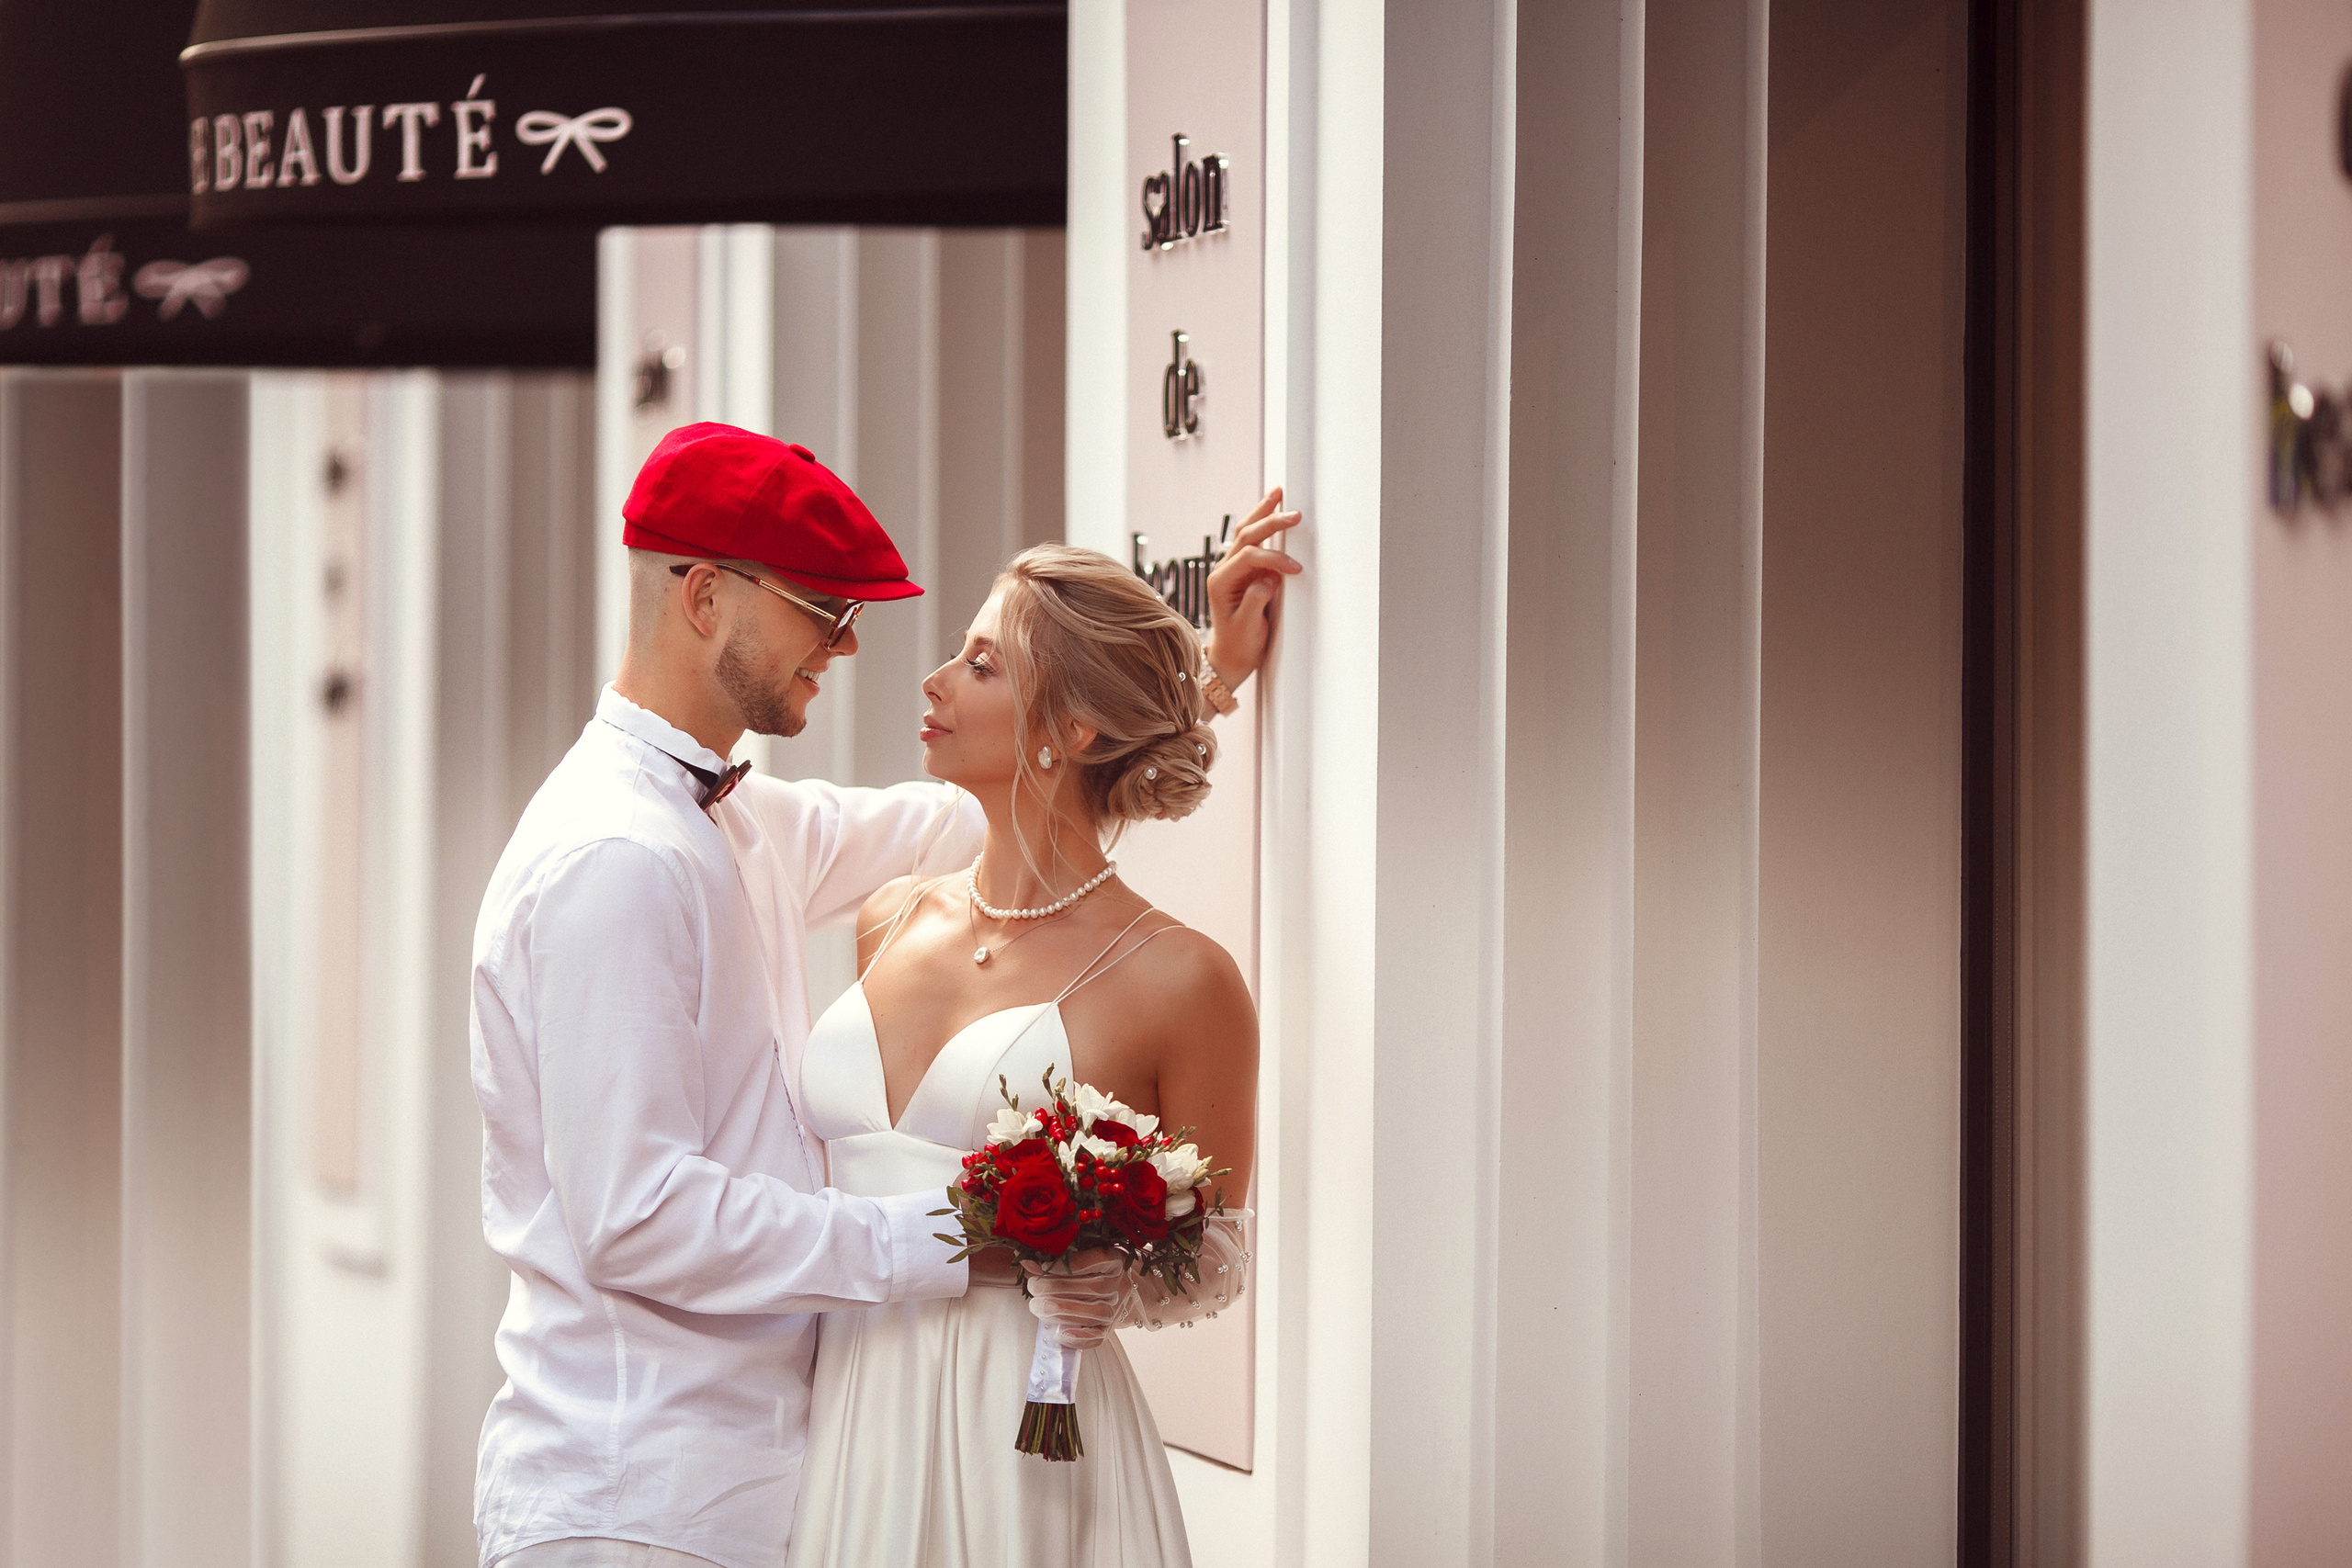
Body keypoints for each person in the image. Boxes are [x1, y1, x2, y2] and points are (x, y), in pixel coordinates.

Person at [470, 421, 1299, 1568]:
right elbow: (635, 1216)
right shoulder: (620, 857)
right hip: (634, 1501)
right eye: (823, 607)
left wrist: (1185, 683)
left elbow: (1008, 811)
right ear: (706, 597)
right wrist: (960, 1240)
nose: (850, 647)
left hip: (793, 1476)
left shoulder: (742, 820)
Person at [785, 543, 1274, 1568]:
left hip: (1025, 1434)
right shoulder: (889, 915)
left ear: (1070, 730)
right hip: (845, 1411)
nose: (930, 680)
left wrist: (1101, 1273)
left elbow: (1215, 1252)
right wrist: (1208, 671)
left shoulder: (1184, 980)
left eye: (979, 663)